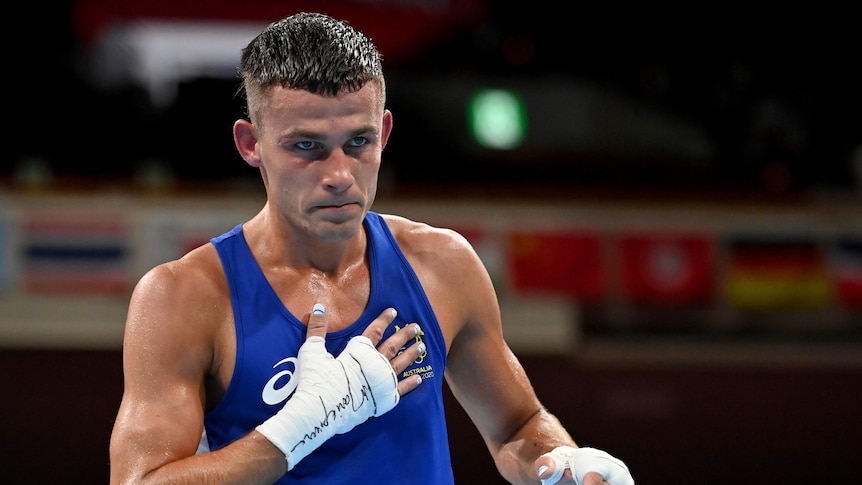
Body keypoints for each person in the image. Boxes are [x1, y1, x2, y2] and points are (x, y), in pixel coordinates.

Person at [109, 11, 634, 485]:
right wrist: (299, 429)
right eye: (306, 147)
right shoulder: (184, 297)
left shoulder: (441, 265)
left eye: (358, 142)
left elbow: (518, 425)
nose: (339, 175)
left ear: (384, 131)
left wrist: (561, 462)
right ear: (251, 144)